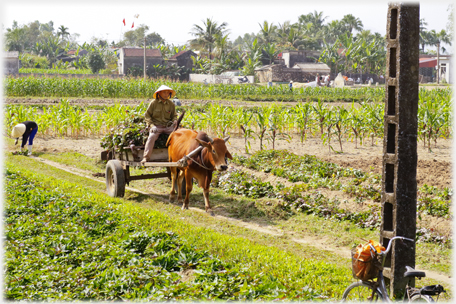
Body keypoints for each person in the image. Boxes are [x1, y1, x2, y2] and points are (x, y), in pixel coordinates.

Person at [141, 85, 178, 163]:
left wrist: (175, 121)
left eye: (168, 93)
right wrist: (152, 126)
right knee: (151, 137)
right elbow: (147, 116)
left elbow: (174, 116)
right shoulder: (153, 103)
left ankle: (178, 156)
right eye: (164, 92)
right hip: (157, 127)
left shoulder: (171, 104)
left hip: (168, 127)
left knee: (178, 136)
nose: (166, 94)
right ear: (159, 93)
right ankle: (146, 158)